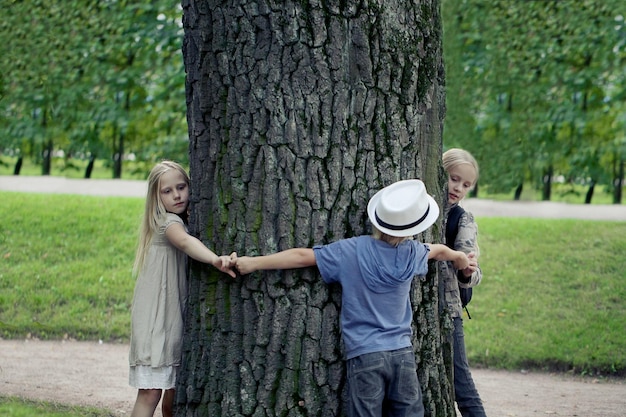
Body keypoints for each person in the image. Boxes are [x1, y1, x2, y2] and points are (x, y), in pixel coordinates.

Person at [234, 179, 471, 417]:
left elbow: (301, 256)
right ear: (414, 228)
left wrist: (253, 263)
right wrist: (459, 257)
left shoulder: (350, 251)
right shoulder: (413, 253)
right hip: (402, 353)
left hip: (365, 353)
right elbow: (439, 250)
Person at [128, 160, 236, 417]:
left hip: (171, 319)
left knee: (174, 392)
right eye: (167, 191)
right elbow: (186, 242)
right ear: (156, 197)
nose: (177, 195)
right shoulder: (166, 223)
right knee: (151, 391)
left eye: (181, 187)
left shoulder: (178, 219)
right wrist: (215, 259)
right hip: (156, 321)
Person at [441, 148, 486, 417]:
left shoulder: (462, 219)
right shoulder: (418, 209)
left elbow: (474, 273)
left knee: (461, 383)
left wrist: (467, 271)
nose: (458, 188)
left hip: (448, 307)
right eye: (454, 178)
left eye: (466, 184)